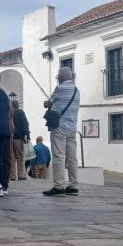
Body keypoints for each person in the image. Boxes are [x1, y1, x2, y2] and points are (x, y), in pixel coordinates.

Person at [43, 67, 80, 197]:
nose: (57, 78)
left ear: (60, 78)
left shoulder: (60, 88)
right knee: (72, 158)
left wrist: (47, 103)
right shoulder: (77, 90)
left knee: (59, 156)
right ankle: (73, 186)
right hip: (72, 128)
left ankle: (58, 187)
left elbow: (48, 103)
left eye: (58, 76)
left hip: (59, 127)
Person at [11, 100, 30, 180]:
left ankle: (12, 175)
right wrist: (27, 135)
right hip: (18, 137)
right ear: (17, 105)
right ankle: (21, 174)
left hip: (9, 137)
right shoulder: (20, 112)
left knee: (11, 157)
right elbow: (25, 124)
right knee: (20, 157)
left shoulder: (9, 113)